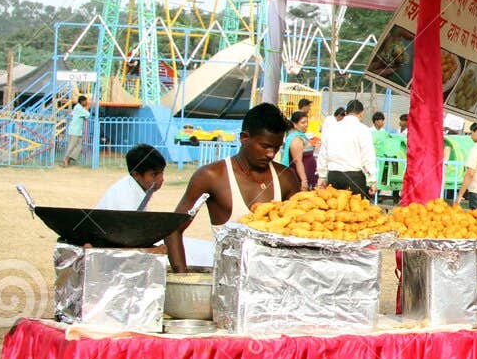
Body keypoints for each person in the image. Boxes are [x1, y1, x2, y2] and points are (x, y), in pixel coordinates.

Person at [165, 103, 300, 273]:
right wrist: (182, 276)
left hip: (276, 284)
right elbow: (172, 229)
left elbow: (301, 232)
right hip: (228, 283)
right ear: (244, 138)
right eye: (265, 146)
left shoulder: (286, 178)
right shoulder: (211, 176)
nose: (271, 154)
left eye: (277, 147)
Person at [323, 100, 378, 196]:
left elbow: (323, 153)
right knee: (355, 209)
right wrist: (372, 181)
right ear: (361, 113)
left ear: (346, 112)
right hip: (354, 178)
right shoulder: (363, 129)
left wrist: (321, 176)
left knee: (334, 209)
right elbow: (368, 156)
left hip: (333, 176)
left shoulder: (332, 128)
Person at [96, 144, 167, 210]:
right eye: (154, 174)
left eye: (162, 172)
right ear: (136, 175)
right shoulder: (127, 199)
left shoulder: (137, 185)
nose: (161, 179)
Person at [286, 110, 319, 191]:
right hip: (302, 177)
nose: (306, 125)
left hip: (309, 174)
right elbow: (298, 161)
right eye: (303, 123)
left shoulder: (302, 136)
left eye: (307, 122)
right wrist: (304, 181)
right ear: (295, 124)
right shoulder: (296, 139)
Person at [63, 95, 90, 166]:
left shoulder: (80, 108)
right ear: (82, 101)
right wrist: (87, 108)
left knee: (79, 146)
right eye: (85, 101)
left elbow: (86, 116)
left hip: (78, 131)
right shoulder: (78, 107)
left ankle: (70, 158)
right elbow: (88, 114)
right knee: (71, 146)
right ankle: (65, 159)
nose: (87, 102)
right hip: (74, 130)